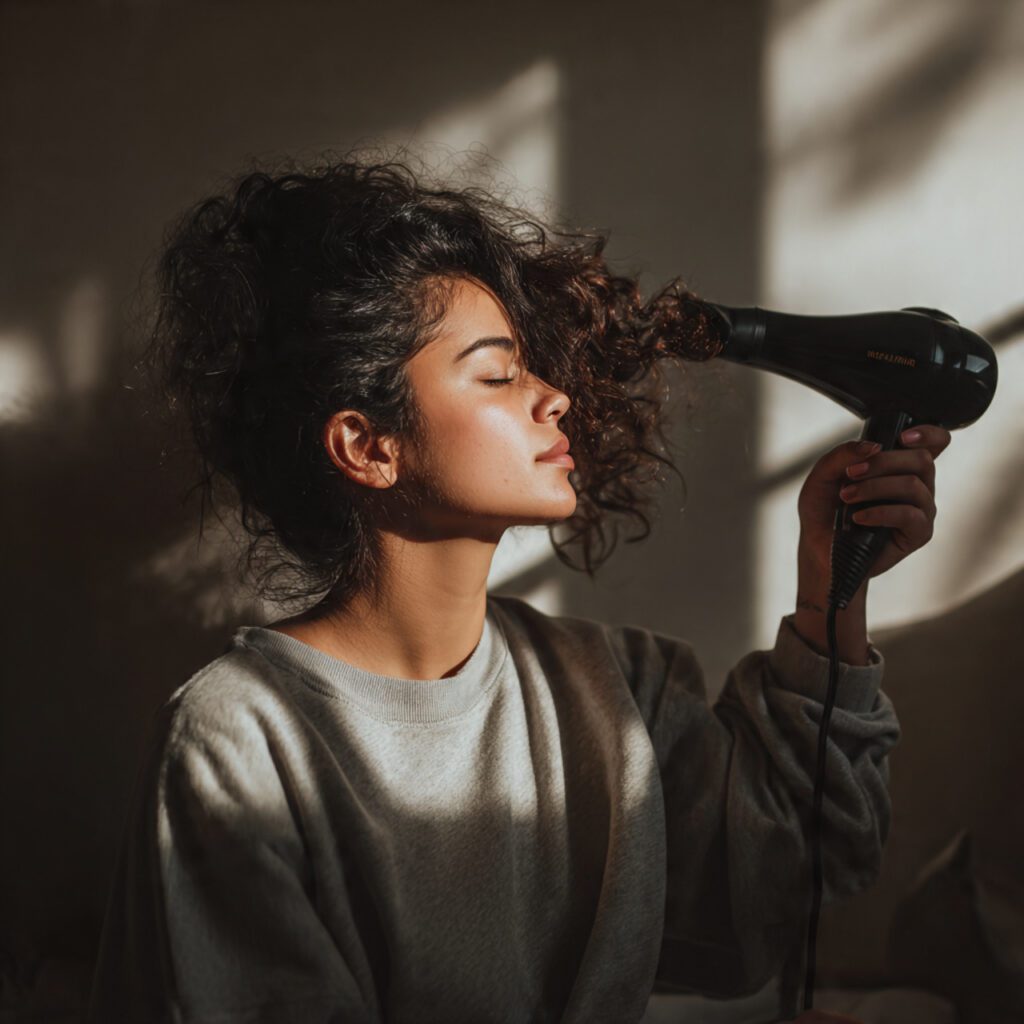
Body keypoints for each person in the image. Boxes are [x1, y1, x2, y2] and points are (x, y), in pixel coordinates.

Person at [86, 149, 948, 1023]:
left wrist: (830, 589)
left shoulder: (617, 692)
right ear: (368, 446)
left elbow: (793, 884)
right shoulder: (242, 741)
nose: (555, 399)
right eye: (499, 374)